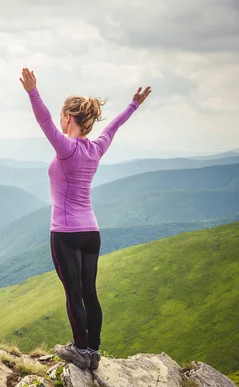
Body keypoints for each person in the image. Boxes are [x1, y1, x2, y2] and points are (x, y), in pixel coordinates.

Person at [19, 67, 151, 370]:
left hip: (65, 234)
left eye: (62, 115)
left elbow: (42, 120)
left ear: (68, 118)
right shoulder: (96, 148)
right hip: (92, 232)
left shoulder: (65, 148)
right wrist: (134, 104)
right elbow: (113, 127)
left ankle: (80, 350)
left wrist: (32, 91)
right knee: (90, 293)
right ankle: (93, 349)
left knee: (74, 294)